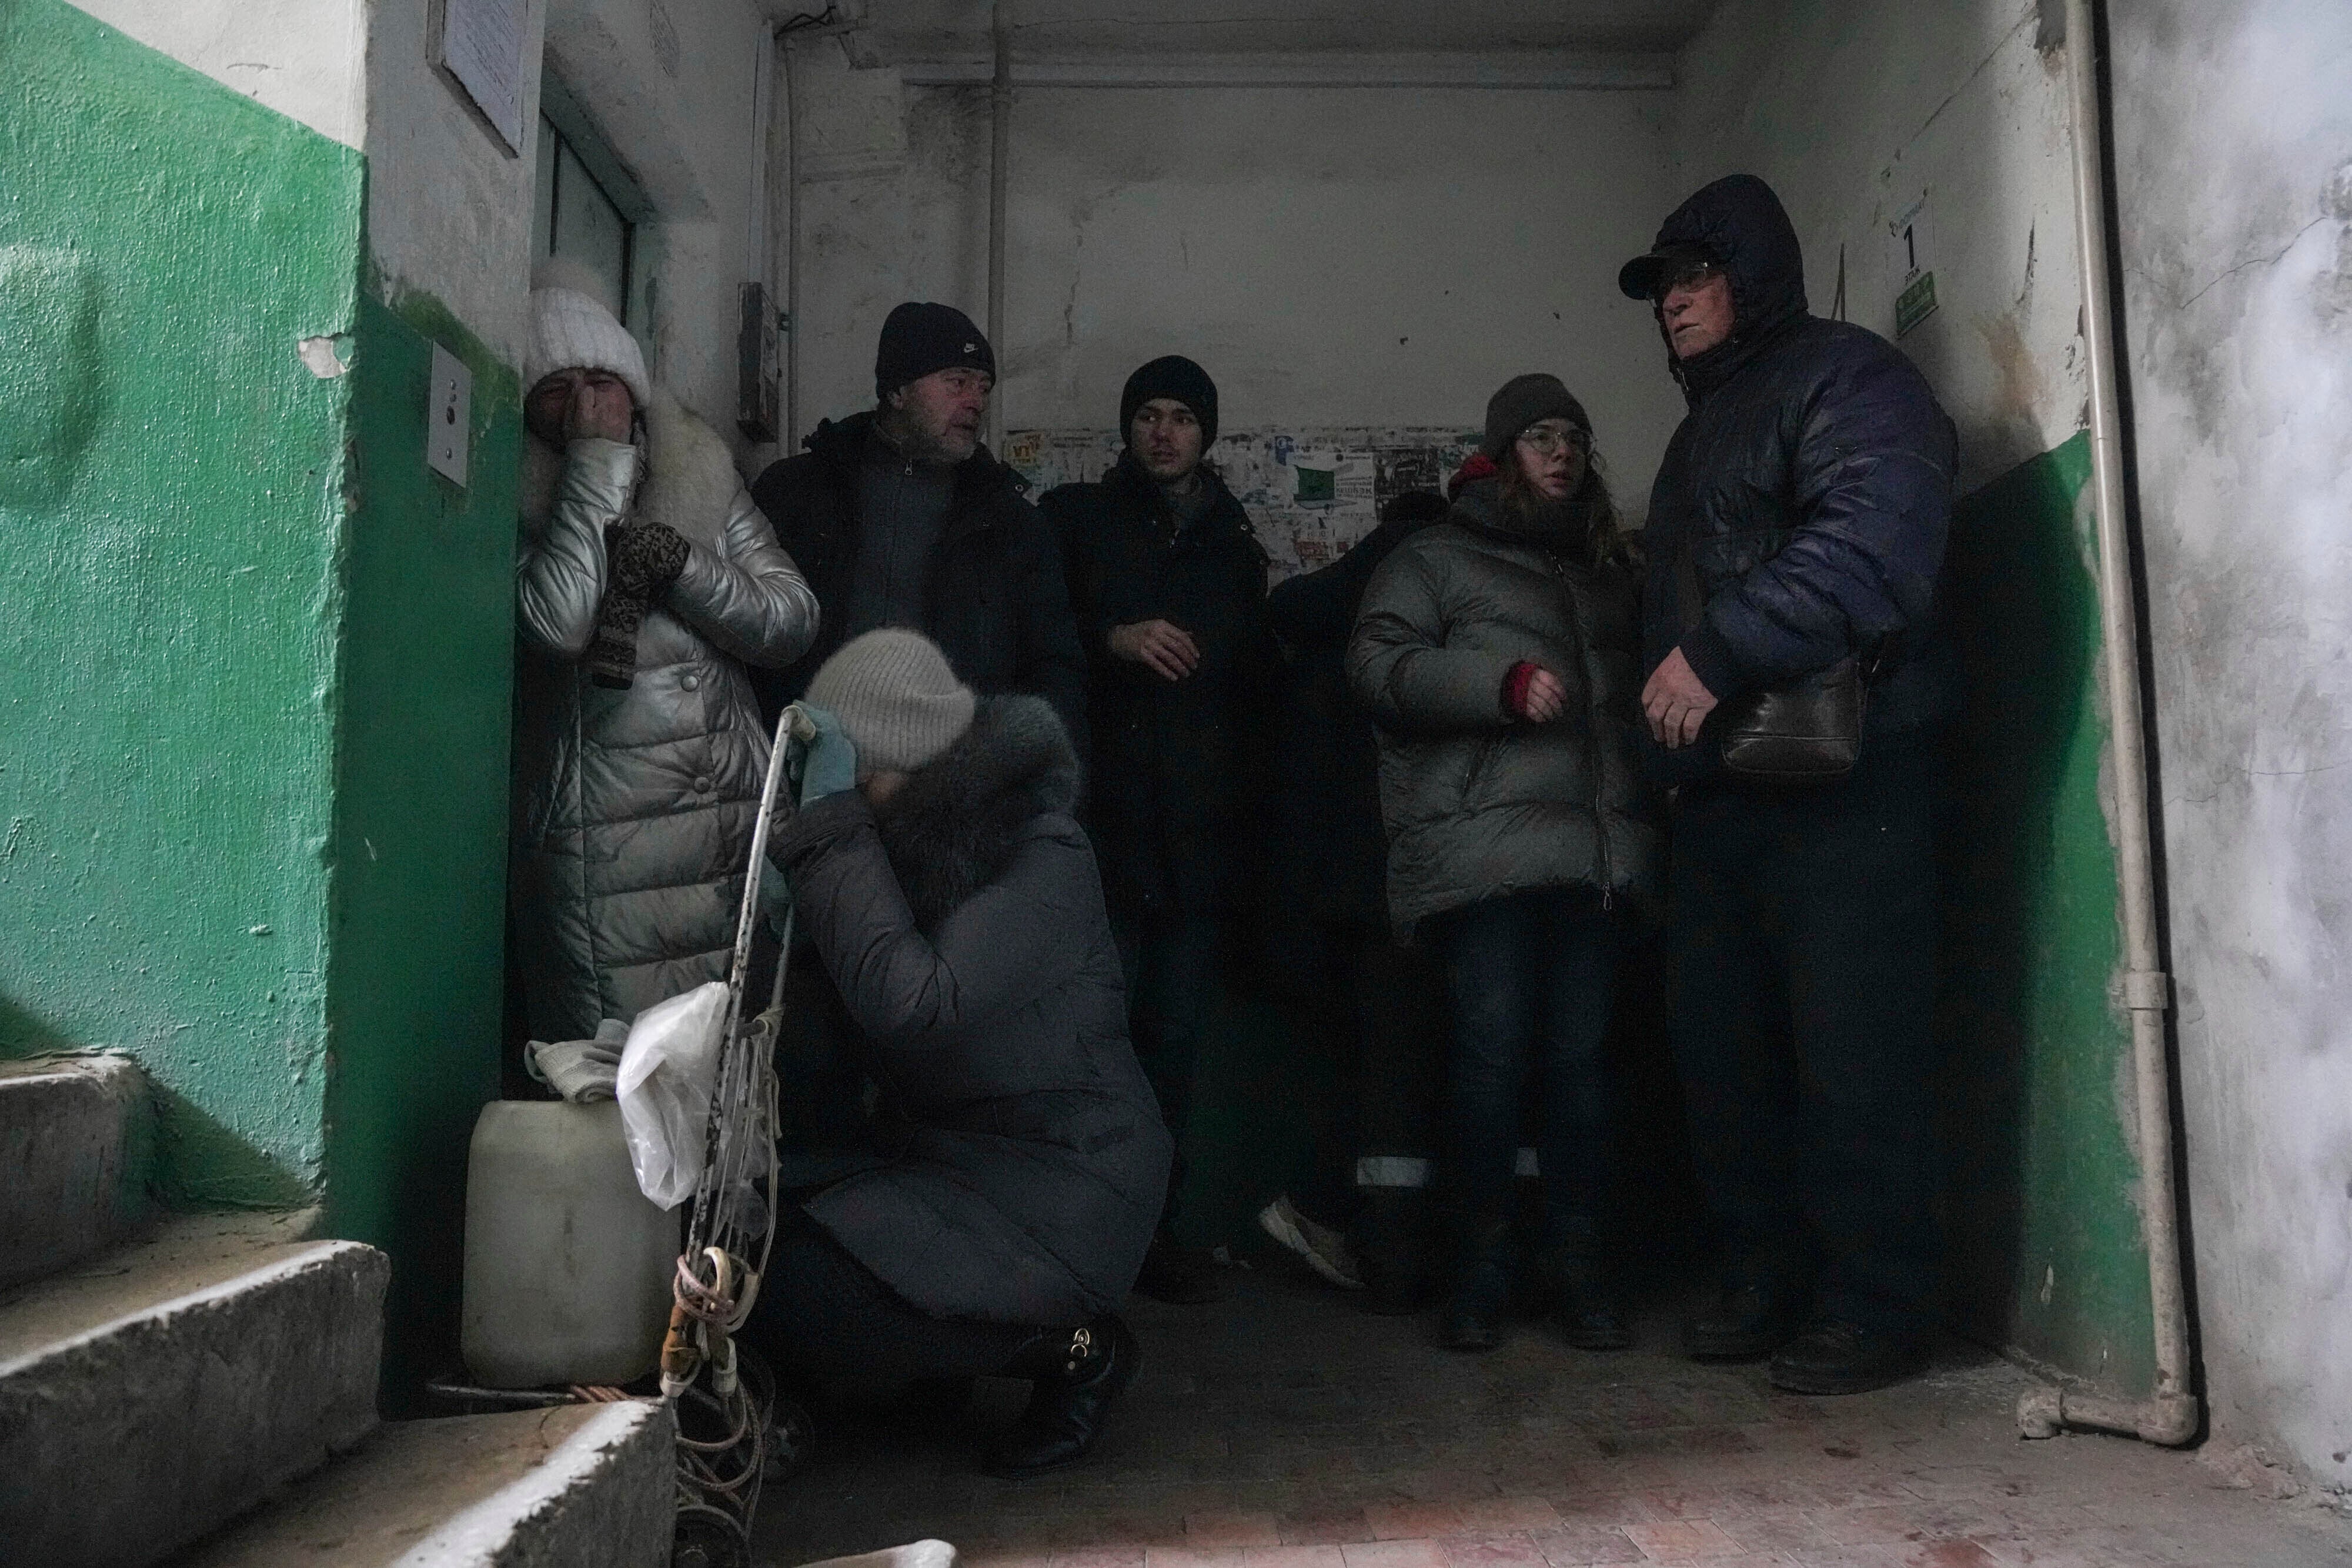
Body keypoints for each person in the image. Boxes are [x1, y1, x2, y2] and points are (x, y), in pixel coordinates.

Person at [1618, 173, 1958, 1395]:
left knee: (1851, 1052)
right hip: (1723, 792)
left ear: (1754, 276)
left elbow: (1877, 540)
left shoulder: (1848, 379)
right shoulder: (1695, 427)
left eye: (1696, 277)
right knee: (1725, 1055)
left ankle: (1875, 1305)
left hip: (1843, 778)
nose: (1673, 302)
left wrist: (1718, 651)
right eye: (1662, 285)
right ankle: (1765, 1278)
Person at [755, 630, 1170, 1476]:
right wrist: (788, 921)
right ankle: (943, 1350)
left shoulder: (1041, 850)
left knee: (818, 1299)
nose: (844, 796)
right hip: (956, 1166)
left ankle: (1078, 1347)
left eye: (856, 773)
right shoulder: (899, 850)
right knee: (770, 1261)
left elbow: (915, 1003)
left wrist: (829, 838)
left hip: (1067, 1182)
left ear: (907, 757)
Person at [1349, 376, 1662, 1353]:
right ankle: (1479, 1272)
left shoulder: (1608, 574)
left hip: (1594, 862)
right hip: (1485, 860)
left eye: (1574, 437)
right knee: (1489, 1067)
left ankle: (1580, 1269)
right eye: (1540, 437)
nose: (1562, 453)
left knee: (1581, 1072)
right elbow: (1375, 662)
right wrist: (1499, 681)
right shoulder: (1434, 558)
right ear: (1498, 457)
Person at [509, 263, 818, 1041]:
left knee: (738, 1070)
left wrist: (683, 564)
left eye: (602, 378)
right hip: (604, 850)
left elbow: (789, 620)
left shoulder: (700, 472)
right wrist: (597, 463)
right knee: (623, 1090)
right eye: (559, 385)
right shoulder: (511, 492)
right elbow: (560, 621)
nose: (586, 400)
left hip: (729, 820)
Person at [1037, 356, 1270, 1305]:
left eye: (1181, 417)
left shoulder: (1233, 547)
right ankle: (1086, 1234)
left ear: (1206, 433)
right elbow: (1042, 632)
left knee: (1172, 1046)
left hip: (1198, 844)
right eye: (1149, 415)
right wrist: (1115, 638)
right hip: (1108, 828)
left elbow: (1252, 696)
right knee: (1097, 1044)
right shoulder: (1080, 523)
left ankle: (1154, 1236)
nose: (1164, 432)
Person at [1255, 491, 1453, 1313]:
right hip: (1407, 877)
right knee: (1404, 1071)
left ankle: (1338, 1217)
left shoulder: (1319, 622)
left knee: (1360, 1068)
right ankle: (1385, 1248)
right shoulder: (1430, 615)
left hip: (1326, 890)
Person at [747, 302, 1087, 753]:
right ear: (897, 390)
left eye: (983, 387)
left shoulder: (1010, 522)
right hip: (803, 759)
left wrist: (1030, 777)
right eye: (957, 382)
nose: (975, 403)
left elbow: (1054, 667)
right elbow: (745, 631)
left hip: (948, 775)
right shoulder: (797, 491)